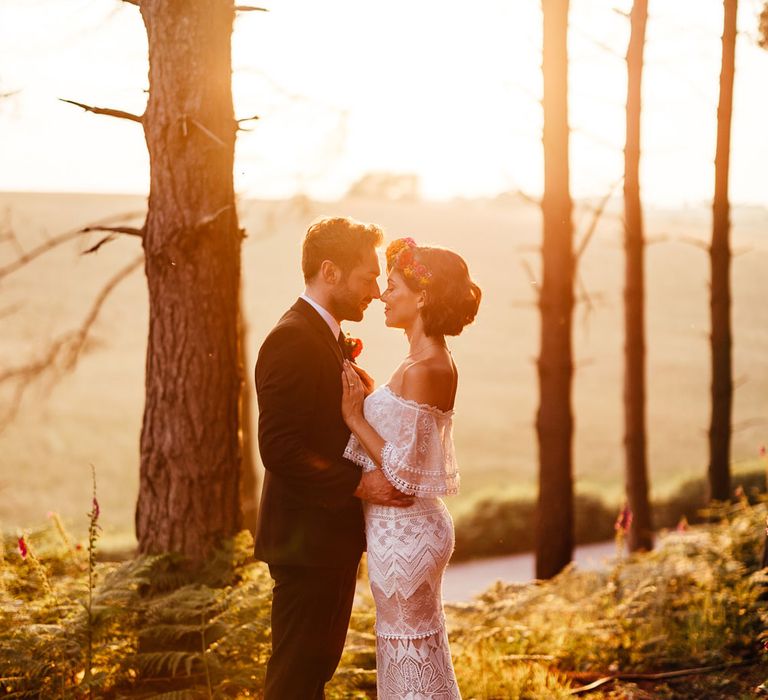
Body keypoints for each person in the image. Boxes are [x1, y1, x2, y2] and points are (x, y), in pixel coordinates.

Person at [253, 216, 413, 700]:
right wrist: (360, 485)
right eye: (368, 275)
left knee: (311, 676)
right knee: (295, 681)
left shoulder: (320, 335)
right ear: (330, 271)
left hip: (325, 542)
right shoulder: (292, 339)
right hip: (306, 545)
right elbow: (278, 447)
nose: (377, 289)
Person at [341, 237, 481, 699]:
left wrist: (356, 416)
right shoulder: (420, 362)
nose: (383, 295)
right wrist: (374, 394)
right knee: (412, 658)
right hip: (404, 529)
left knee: (410, 661)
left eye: (393, 286)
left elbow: (403, 471)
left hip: (406, 531)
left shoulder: (427, 366)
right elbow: (407, 433)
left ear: (421, 297)